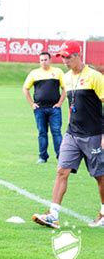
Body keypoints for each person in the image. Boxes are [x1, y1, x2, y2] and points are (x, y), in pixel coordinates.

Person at [32, 40, 104, 229]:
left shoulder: (94, 77)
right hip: (72, 133)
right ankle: (52, 215)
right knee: (61, 171)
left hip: (94, 134)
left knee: (100, 176)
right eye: (61, 57)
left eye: (67, 56)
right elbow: (72, 105)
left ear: (78, 55)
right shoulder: (66, 77)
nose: (64, 60)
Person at [23, 52, 66, 163]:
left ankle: (60, 157)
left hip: (54, 109)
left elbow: (65, 88)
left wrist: (59, 103)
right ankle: (43, 157)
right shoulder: (34, 73)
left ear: (50, 60)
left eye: (45, 59)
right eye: (41, 60)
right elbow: (25, 89)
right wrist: (32, 104)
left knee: (56, 132)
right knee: (42, 133)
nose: (43, 62)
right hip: (39, 109)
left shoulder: (58, 72)